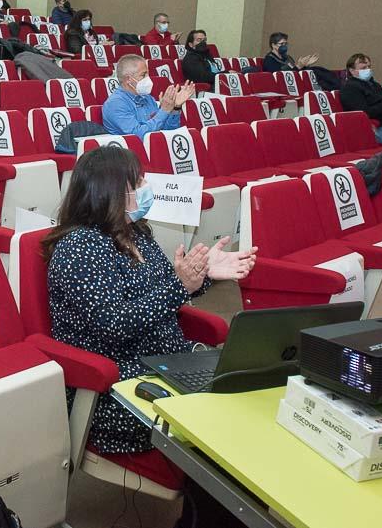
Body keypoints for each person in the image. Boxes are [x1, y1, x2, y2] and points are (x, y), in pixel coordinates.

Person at [43, 145, 254, 526]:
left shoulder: (136, 232)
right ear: (109, 190)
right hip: (118, 383)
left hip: (167, 360)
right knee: (220, 426)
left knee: (244, 389)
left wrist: (199, 276)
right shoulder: (78, 248)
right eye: (136, 182)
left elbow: (161, 293)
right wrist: (180, 284)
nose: (145, 186)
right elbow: (116, 325)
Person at [103, 55, 196, 137]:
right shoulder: (115, 104)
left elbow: (168, 131)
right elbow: (139, 135)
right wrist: (164, 111)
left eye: (148, 74)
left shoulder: (147, 98)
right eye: (143, 75)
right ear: (128, 79)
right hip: (131, 153)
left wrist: (175, 108)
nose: (148, 78)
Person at [339, 53, 382, 146]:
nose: (368, 70)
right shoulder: (350, 88)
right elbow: (365, 113)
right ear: (352, 71)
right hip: (375, 128)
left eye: (369, 67)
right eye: (363, 68)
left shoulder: (374, 84)